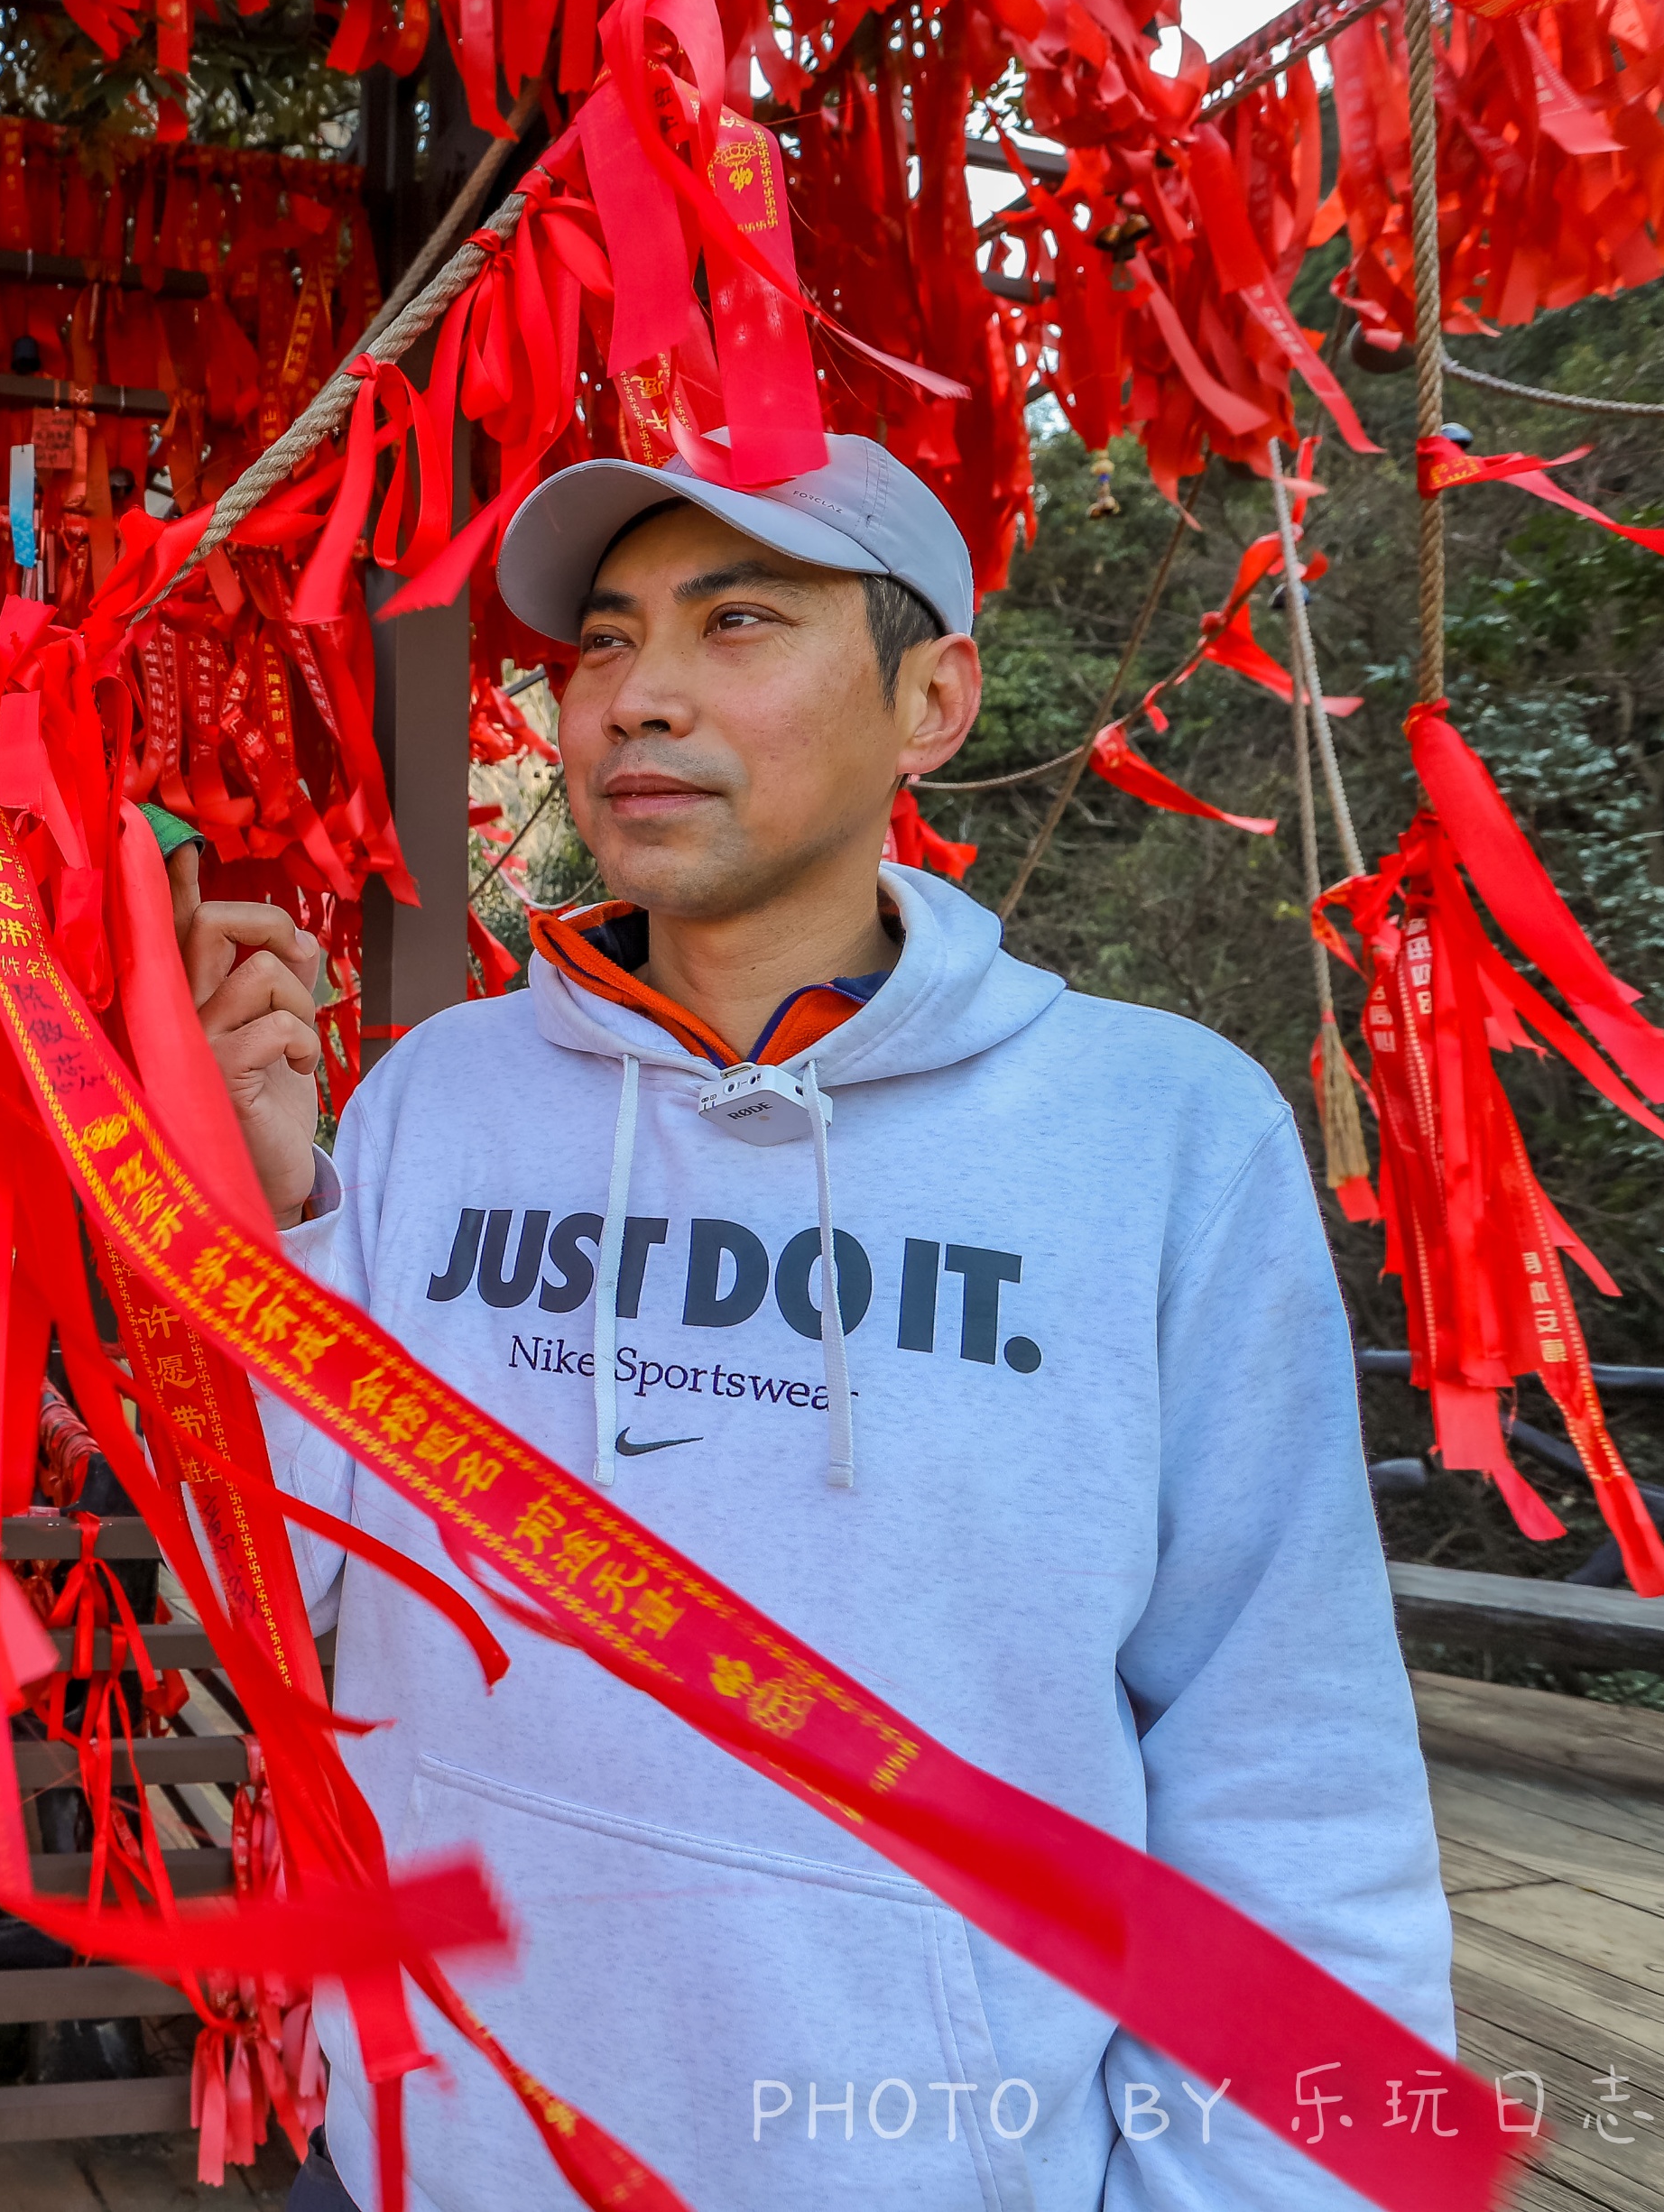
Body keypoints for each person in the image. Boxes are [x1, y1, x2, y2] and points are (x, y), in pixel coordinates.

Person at [180, 436, 1452, 2212]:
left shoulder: (1160, 1137)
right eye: (605, 641)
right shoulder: (433, 1105)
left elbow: (1288, 1777)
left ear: (932, 699)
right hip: (431, 2147)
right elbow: (261, 1583)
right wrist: (261, 1219)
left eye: (740, 620)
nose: (640, 698)